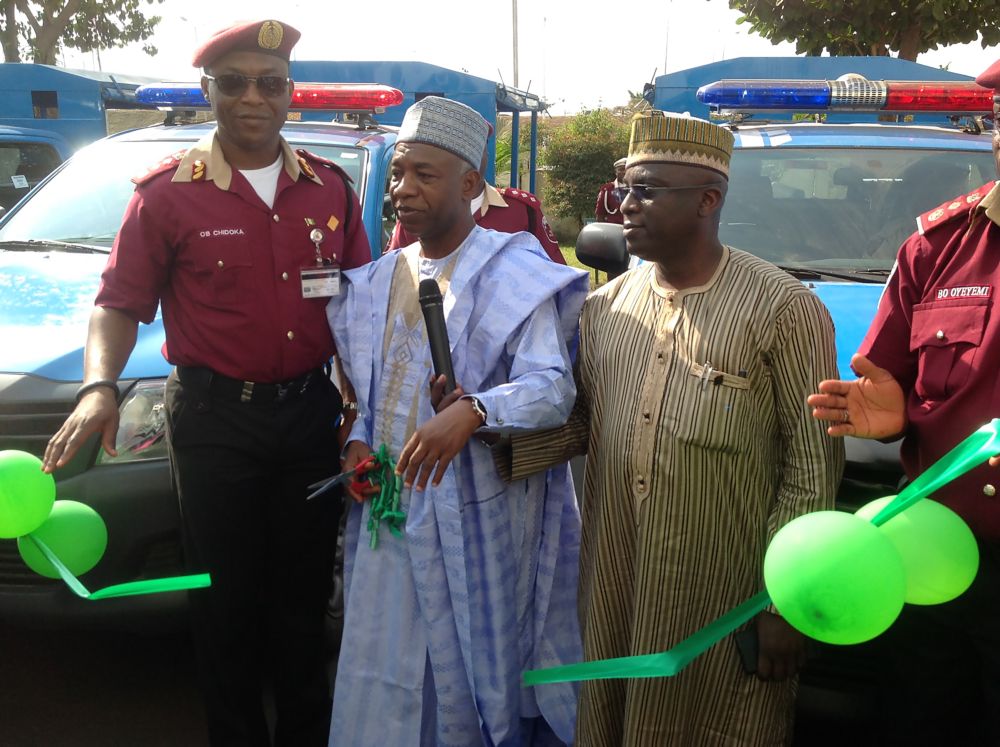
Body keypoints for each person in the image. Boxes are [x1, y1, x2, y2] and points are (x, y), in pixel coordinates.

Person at [41, 19, 372, 746]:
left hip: (309, 414)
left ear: (290, 93)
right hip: (215, 418)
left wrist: (361, 413)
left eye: (270, 82)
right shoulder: (166, 196)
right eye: (234, 83)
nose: (253, 97)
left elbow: (360, 309)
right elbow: (119, 303)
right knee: (222, 602)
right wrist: (99, 385)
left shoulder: (330, 190)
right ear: (208, 92)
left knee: (303, 599)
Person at [497, 110, 844, 744]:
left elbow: (812, 466)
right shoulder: (605, 309)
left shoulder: (783, 308)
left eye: (647, 190)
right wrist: (487, 431)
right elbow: (583, 424)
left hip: (726, 595)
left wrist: (784, 603)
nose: (626, 205)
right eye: (624, 188)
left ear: (708, 200)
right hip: (618, 583)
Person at [326, 95, 589, 746]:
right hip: (388, 508)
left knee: (467, 683)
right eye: (397, 173)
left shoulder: (516, 270)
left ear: (471, 184)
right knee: (380, 669)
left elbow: (553, 389)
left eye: (424, 174)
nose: (403, 189)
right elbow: (367, 393)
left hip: (474, 519)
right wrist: (357, 445)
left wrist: (474, 411)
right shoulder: (376, 278)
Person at [806, 58, 1000, 747]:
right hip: (936, 565)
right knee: (921, 722)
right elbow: (888, 381)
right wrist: (895, 421)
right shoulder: (937, 247)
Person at [386, 146, 566, 264]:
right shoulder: (418, 213)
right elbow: (392, 279)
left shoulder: (521, 210)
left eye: (476, 146)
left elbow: (555, 275)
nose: (405, 190)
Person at [594, 156, 626, 224]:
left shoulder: (638, 189)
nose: (624, 172)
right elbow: (600, 215)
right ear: (616, 172)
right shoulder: (607, 189)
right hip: (613, 230)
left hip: (634, 231)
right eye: (621, 169)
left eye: (627, 169)